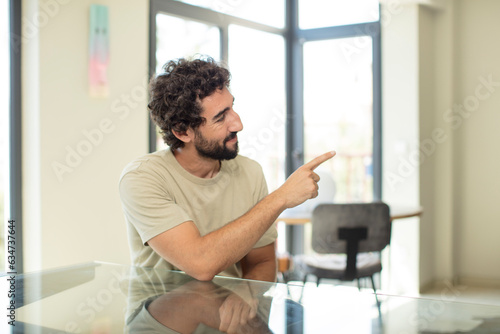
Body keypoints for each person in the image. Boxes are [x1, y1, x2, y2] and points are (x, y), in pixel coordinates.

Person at [119, 57, 335, 283]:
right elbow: (200, 263)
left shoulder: (250, 172)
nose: (237, 124)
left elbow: (262, 262)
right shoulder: (142, 178)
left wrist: (245, 300)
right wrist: (280, 198)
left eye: (232, 108)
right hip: (159, 314)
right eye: (221, 118)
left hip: (231, 315)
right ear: (183, 132)